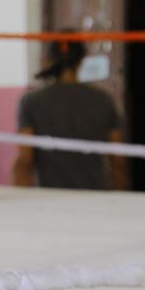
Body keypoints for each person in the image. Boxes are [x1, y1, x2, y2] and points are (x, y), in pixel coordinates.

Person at [12, 38, 128, 190]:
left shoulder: (30, 102)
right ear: (81, 61)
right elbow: (117, 161)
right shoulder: (103, 101)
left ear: (49, 59)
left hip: (49, 201)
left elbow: (24, 161)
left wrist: (25, 205)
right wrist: (119, 201)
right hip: (96, 201)